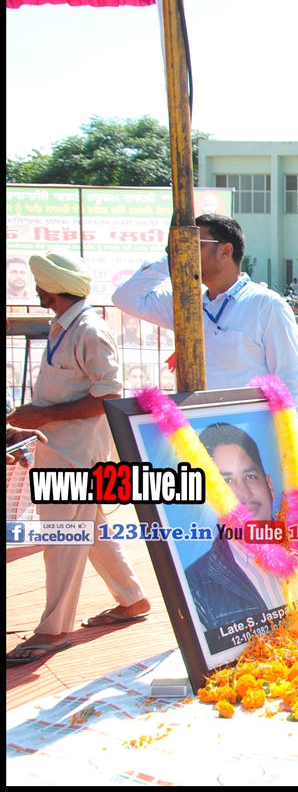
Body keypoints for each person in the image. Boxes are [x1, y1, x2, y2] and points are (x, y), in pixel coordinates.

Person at [6, 252, 151, 664]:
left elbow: (108, 396)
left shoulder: (89, 330)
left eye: (40, 283)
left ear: (52, 288)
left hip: (76, 455)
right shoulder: (64, 326)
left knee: (63, 539)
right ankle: (132, 599)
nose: (37, 290)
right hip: (58, 447)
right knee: (91, 529)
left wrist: (43, 416)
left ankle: (54, 630)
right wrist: (34, 423)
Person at [112, 213, 298, 416]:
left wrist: (286, 434)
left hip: (246, 429)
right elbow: (125, 298)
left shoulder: (265, 305)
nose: (187, 252)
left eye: (195, 245)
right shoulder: (185, 302)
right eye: (184, 245)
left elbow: (292, 382)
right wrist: (171, 258)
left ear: (226, 251)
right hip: (195, 426)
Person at [183, 423, 298, 635]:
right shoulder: (196, 586)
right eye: (226, 482)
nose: (245, 494)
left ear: (270, 486)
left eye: (250, 476)